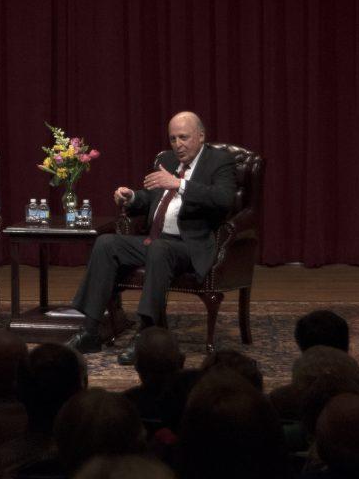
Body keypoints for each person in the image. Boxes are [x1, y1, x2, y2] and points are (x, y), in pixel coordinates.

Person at [67, 111, 236, 363]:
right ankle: (91, 330)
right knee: (106, 243)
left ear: (201, 136)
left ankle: (145, 337)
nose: (177, 145)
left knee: (160, 249)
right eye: (173, 139)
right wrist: (132, 197)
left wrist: (179, 184)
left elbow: (224, 199)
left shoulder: (219, 161)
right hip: (156, 240)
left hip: (189, 246)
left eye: (183, 137)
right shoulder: (167, 159)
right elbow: (153, 198)